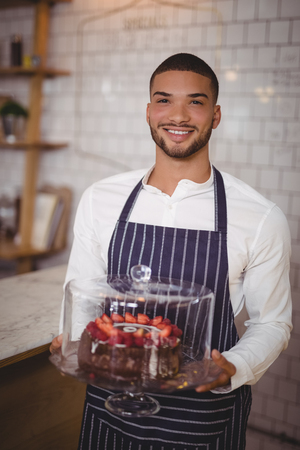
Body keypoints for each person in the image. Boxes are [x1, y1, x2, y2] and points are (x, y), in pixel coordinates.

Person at [51, 53, 292, 450]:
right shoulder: (101, 199)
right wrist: (78, 346)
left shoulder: (260, 217)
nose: (178, 115)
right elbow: (82, 295)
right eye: (164, 100)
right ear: (148, 112)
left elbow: (273, 323)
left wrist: (233, 367)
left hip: (202, 420)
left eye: (195, 102)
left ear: (215, 116)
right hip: (109, 410)